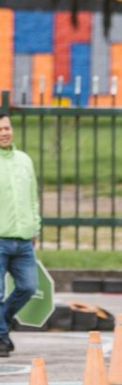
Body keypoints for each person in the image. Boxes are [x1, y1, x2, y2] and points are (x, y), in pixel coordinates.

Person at [0, 114, 40, 358]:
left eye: (6, 128)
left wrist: (35, 226)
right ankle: (2, 338)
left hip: (24, 240)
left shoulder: (24, 160)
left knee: (28, 286)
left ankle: (2, 325)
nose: (4, 132)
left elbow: (33, 197)